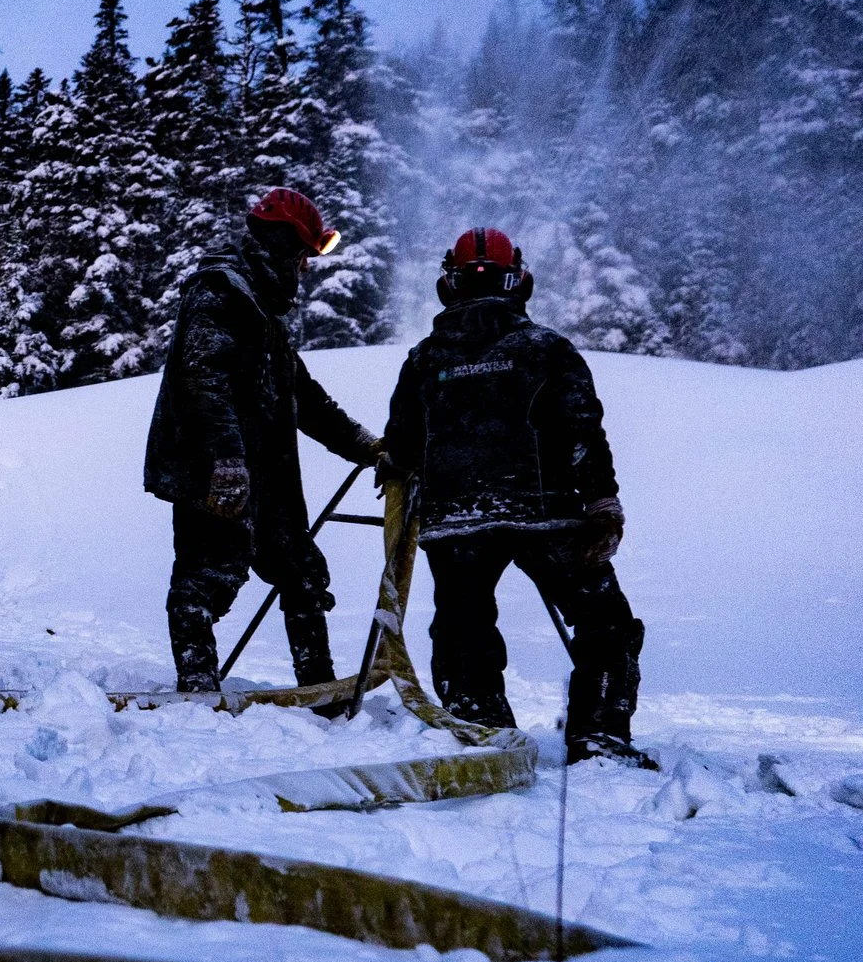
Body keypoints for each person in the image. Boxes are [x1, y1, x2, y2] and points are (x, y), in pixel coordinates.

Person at [380, 227, 655, 767]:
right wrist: (602, 503)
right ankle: (599, 735)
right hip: (547, 515)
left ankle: (479, 728)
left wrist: (395, 462)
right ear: (518, 282)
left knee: (463, 628)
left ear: (449, 285)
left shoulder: (424, 359)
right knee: (605, 622)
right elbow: (583, 431)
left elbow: (404, 445)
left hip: (455, 520)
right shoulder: (547, 349)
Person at [144, 187, 381, 692]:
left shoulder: (260, 311)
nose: (305, 269)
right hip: (214, 469)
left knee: (301, 570)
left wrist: (366, 446)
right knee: (208, 574)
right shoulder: (220, 291)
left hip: (262, 472)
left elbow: (306, 398)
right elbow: (202, 377)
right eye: (303, 256)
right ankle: (198, 688)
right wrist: (226, 461)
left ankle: (317, 689)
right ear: (284, 245)